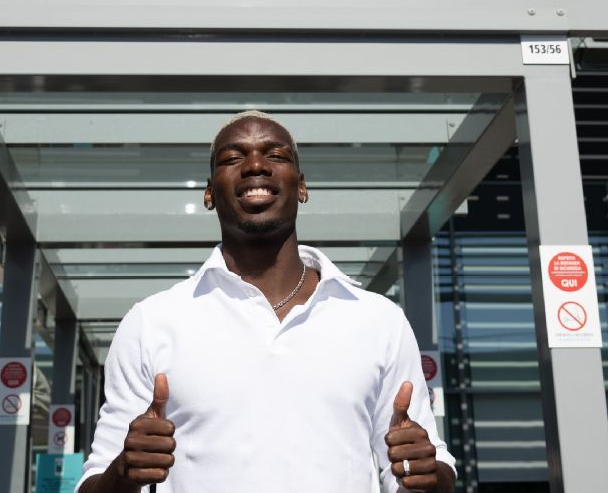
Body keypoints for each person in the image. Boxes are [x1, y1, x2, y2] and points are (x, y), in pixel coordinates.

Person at [77, 111, 455, 493]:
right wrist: (124, 471)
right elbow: (94, 483)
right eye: (232, 158)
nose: (255, 165)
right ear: (209, 193)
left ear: (302, 186)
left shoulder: (378, 320)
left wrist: (427, 473)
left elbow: (427, 470)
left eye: (275, 155)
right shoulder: (152, 322)